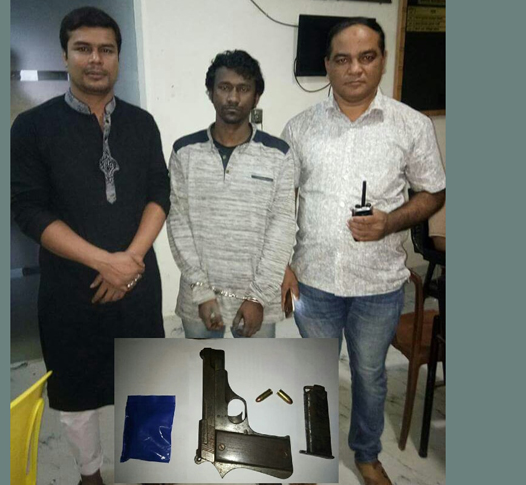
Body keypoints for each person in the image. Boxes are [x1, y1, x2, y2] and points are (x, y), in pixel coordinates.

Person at [281, 17, 445, 485]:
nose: (355, 68)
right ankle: (315, 453)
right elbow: (282, 200)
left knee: (370, 375)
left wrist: (389, 222)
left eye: (366, 57)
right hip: (314, 281)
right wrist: (284, 263)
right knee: (314, 373)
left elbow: (434, 192)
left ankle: (366, 455)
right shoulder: (300, 128)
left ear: (383, 60)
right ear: (327, 65)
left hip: (379, 284)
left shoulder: (411, 125)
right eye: (343, 59)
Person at [10, 7, 170, 485]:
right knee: (76, 390)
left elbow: (159, 194)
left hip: (138, 283)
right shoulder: (32, 127)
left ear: (118, 57)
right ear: (65, 55)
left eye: (106, 49)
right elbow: (29, 210)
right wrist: (105, 262)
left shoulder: (142, 123)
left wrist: (131, 261)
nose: (95, 59)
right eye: (83, 48)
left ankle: (146, 466)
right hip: (70, 288)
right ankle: (89, 473)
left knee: (147, 381)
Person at [167, 50, 296, 338]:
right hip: (198, 299)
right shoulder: (185, 152)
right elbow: (177, 223)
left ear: (256, 97)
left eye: (243, 89)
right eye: (224, 88)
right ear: (210, 93)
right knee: (204, 366)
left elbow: (282, 227)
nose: (233, 98)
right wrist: (201, 292)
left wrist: (258, 297)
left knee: (254, 368)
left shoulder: (279, 154)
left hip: (257, 302)